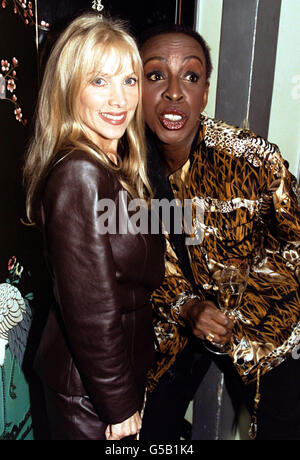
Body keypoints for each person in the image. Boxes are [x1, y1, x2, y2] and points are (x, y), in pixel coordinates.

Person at [138, 23, 300, 441]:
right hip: (178, 322)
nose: (174, 91)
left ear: (204, 93)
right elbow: (144, 261)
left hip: (263, 325)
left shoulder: (253, 161)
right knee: (147, 426)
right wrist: (187, 306)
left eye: (190, 77)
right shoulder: (125, 173)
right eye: (156, 75)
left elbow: (296, 241)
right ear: (135, 87)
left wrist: (250, 296)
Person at [23, 13, 164, 441]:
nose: (119, 99)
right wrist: (118, 405)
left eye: (129, 80)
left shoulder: (114, 166)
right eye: (99, 81)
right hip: (91, 395)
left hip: (108, 379)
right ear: (71, 89)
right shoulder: (80, 173)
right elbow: (91, 308)